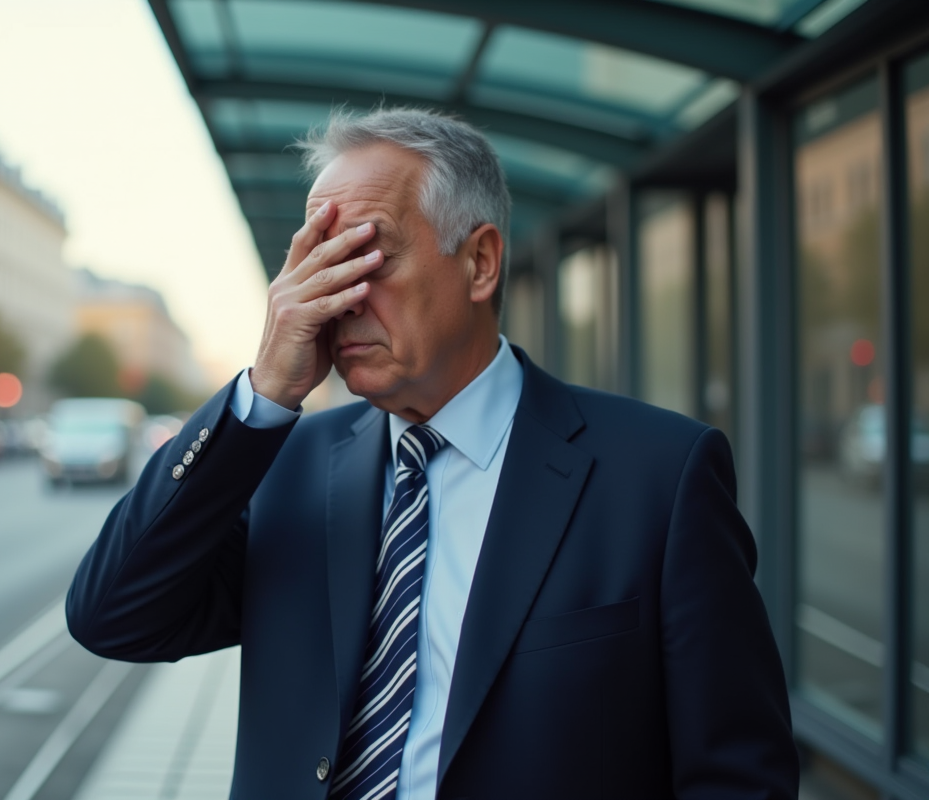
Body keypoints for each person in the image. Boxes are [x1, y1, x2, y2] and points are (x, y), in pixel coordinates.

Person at [67, 108, 799, 799]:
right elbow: (113, 616)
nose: (338, 298)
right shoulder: (285, 463)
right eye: (320, 262)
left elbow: (739, 775)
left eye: (365, 255)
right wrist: (263, 393)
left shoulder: (659, 475)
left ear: (479, 263)